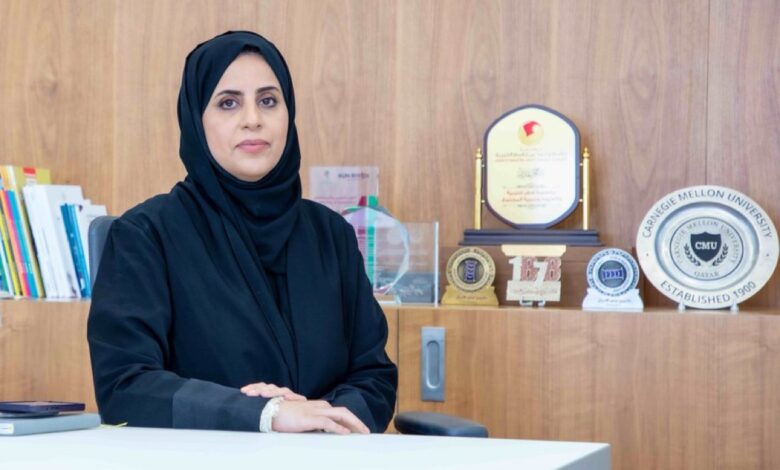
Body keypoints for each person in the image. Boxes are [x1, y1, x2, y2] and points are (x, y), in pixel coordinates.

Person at [87, 31, 397, 434]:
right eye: (228, 103)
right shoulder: (145, 236)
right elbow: (125, 386)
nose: (253, 119)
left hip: (324, 455)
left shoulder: (330, 235)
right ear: (195, 120)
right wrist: (266, 414)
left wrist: (322, 419)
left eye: (268, 100)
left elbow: (374, 376)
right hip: (196, 458)